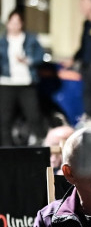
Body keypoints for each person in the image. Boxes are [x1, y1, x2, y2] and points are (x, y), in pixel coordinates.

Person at [0, 8, 46, 146]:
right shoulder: (2, 41)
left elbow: (40, 56)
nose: (14, 26)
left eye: (17, 22)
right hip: (6, 83)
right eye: (12, 22)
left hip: (26, 83)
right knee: (5, 119)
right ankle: (7, 151)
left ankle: (42, 147)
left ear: (22, 24)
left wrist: (28, 60)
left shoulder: (30, 39)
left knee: (34, 115)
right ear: (7, 24)